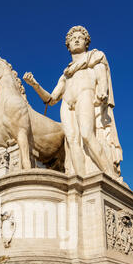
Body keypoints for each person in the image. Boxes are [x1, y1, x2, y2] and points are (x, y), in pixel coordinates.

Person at [23, 25, 122, 178]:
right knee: (72, 141)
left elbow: (102, 75)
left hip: (85, 95)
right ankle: (81, 181)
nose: (76, 40)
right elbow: (51, 99)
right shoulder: (66, 75)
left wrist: (103, 90)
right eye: (72, 39)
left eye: (80, 38)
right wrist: (35, 84)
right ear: (68, 46)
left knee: (87, 135)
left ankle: (110, 175)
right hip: (66, 104)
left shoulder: (94, 58)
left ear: (86, 43)